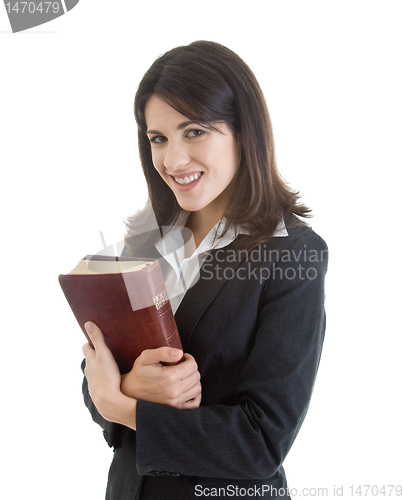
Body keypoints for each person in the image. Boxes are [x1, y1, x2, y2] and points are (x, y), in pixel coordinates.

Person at [81, 40, 328, 500]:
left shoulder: (292, 254)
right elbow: (95, 377)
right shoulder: (144, 243)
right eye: (159, 138)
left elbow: (261, 441)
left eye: (194, 132)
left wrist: (124, 404)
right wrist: (130, 386)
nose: (173, 161)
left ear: (243, 131)